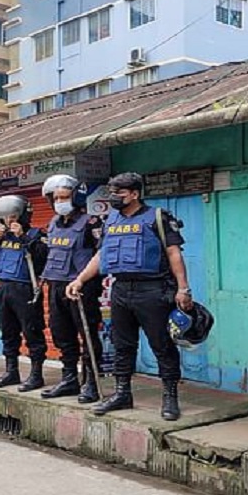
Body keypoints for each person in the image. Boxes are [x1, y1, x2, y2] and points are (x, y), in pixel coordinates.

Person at [66, 172, 192, 421]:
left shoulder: (156, 217)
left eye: (119, 193)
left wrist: (183, 289)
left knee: (162, 345)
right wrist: (80, 279)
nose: (114, 198)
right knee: (122, 345)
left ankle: (170, 397)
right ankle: (123, 393)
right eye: (112, 193)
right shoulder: (110, 219)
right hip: (121, 289)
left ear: (134, 194)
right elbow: (101, 255)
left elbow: (174, 253)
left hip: (153, 290)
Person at [38, 174, 104, 403]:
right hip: (56, 285)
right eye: (56, 198)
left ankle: (91, 382)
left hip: (80, 288)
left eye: (64, 197)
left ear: (76, 197)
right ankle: (69, 379)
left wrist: (86, 282)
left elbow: (101, 254)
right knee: (61, 334)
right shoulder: (53, 224)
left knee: (88, 336)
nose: (59, 202)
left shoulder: (92, 223)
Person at [0, 195, 48, 389]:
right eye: (6, 217)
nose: (10, 221)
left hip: (26, 288)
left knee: (32, 332)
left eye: (14, 216)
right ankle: (11, 372)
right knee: (8, 332)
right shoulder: (0, 238)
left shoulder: (35, 234)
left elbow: (43, 258)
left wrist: (23, 237)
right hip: (4, 287)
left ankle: (36, 374)